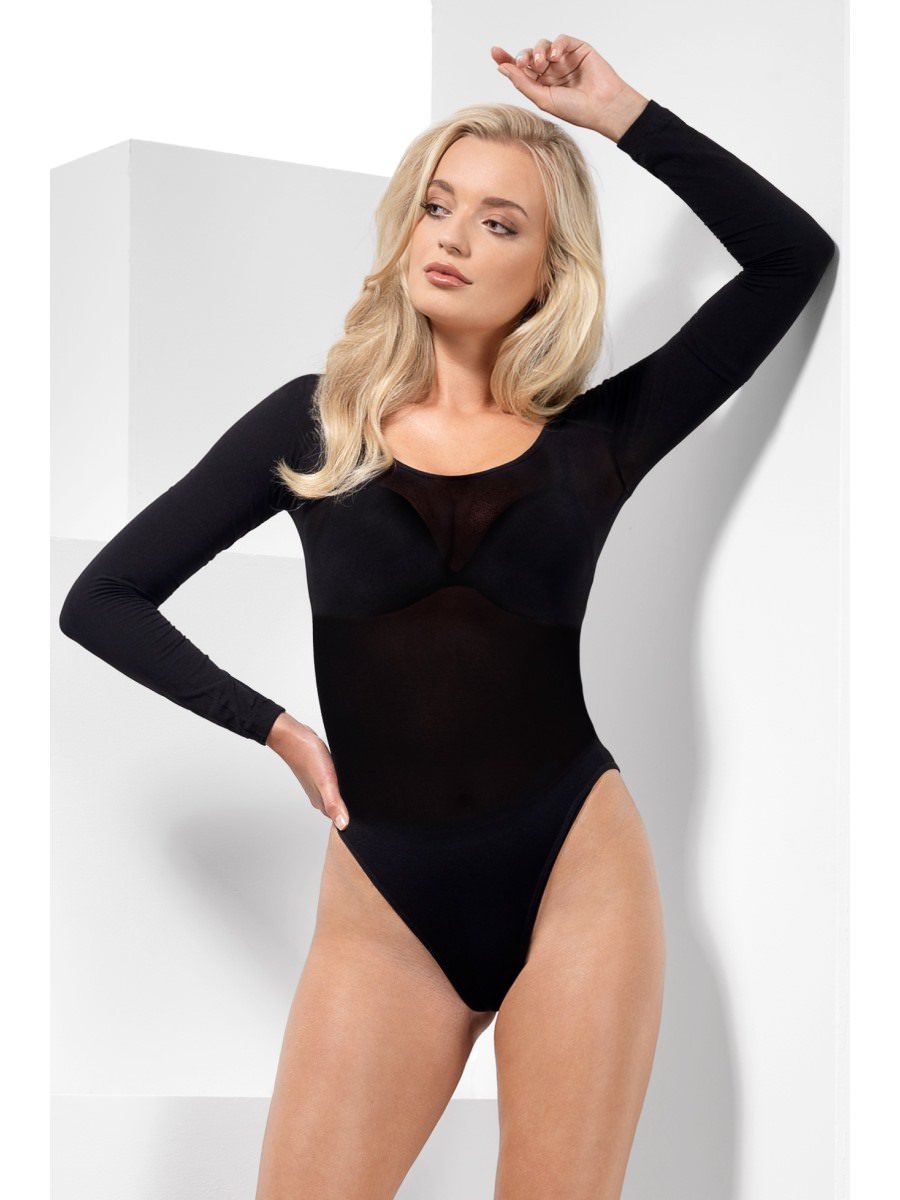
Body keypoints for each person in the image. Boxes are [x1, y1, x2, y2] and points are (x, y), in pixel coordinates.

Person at [58, 32, 835, 1200]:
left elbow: (787, 258)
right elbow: (104, 598)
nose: (455, 238)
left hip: (577, 871)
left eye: (499, 222)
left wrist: (619, 112)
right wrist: (277, 727)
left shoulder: (598, 440)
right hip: (386, 900)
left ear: (549, 272)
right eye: (438, 205)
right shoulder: (317, 425)